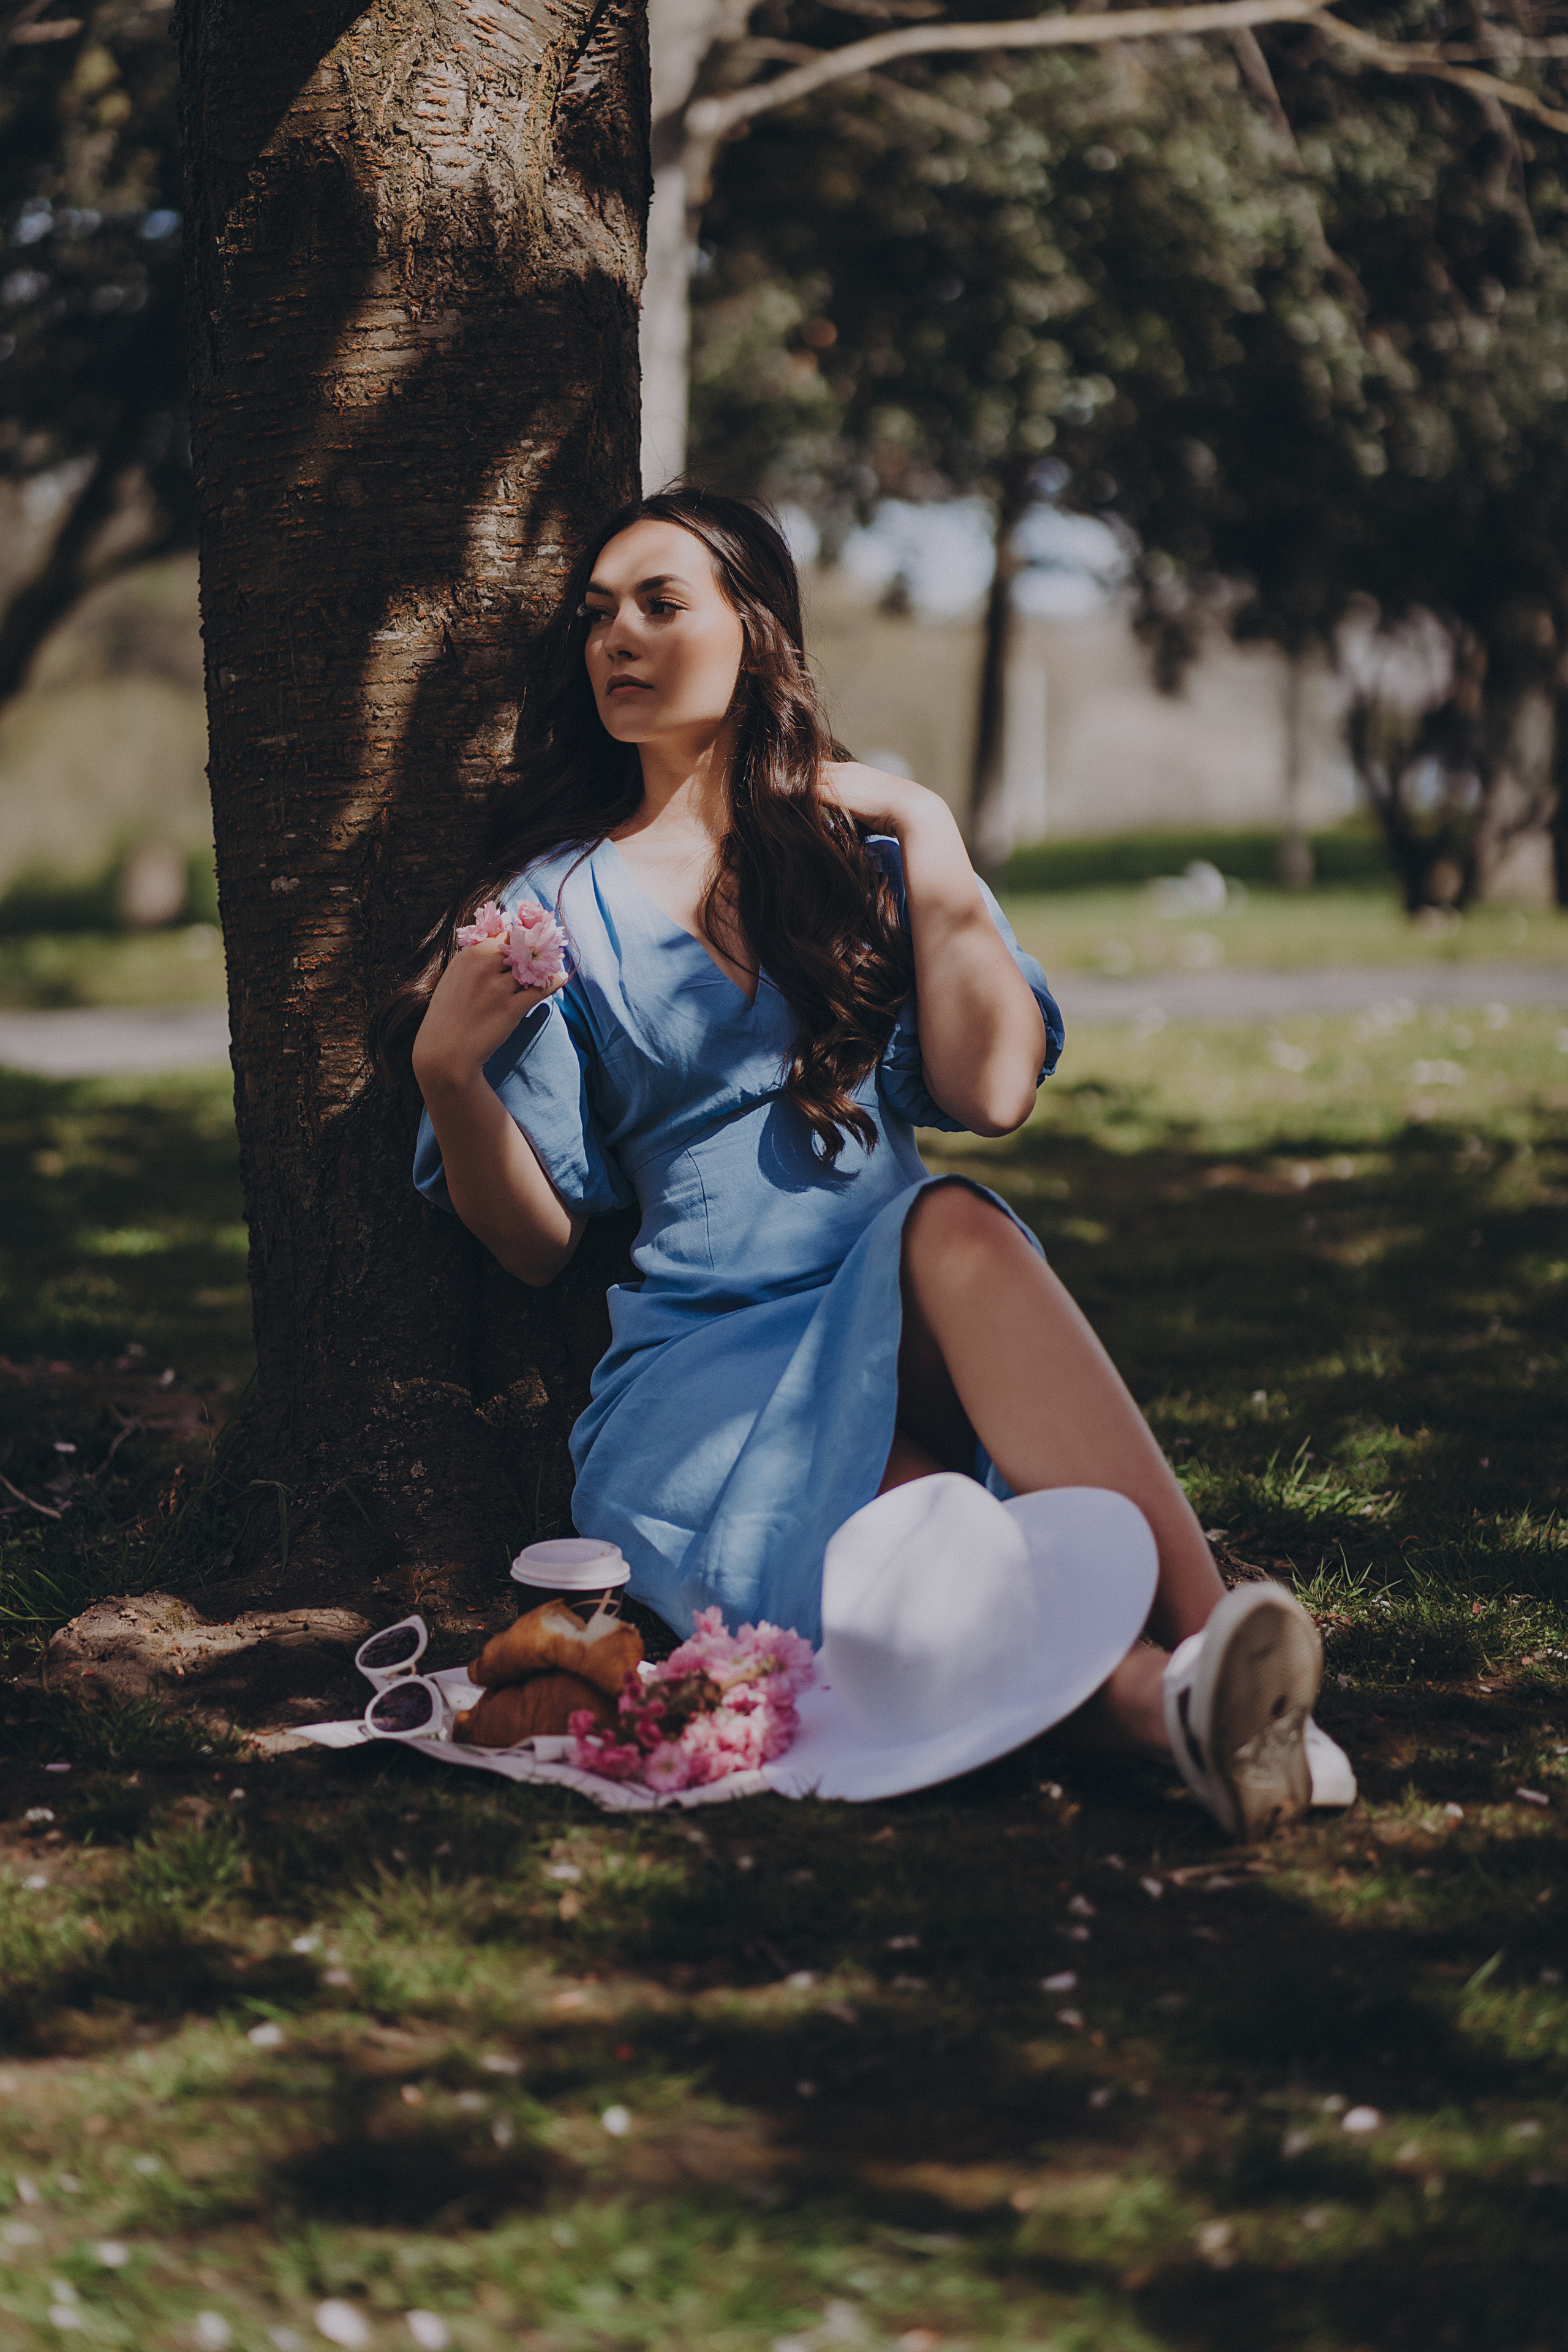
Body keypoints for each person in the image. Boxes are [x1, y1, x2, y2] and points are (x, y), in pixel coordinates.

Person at [377, 488, 1350, 1839]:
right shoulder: (554, 906)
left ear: (753, 633)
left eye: (661, 604)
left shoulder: (853, 857)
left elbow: (992, 1090)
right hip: (709, 1392)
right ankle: (1180, 1707)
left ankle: (1217, 1645)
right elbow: (537, 1241)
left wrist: (928, 829)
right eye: (597, 615)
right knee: (932, 1570)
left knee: (952, 1221)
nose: (617, 638)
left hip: (920, 1315)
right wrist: (447, 1076)